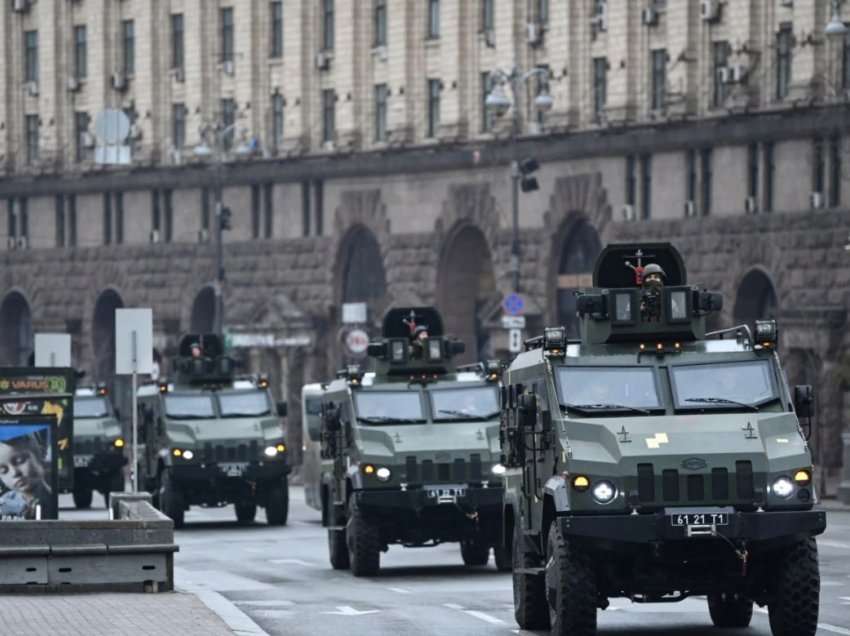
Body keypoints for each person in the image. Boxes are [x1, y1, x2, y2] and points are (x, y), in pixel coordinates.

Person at [0, 434, 51, 520]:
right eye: (3, 471)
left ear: (41, 453)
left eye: (20, 461)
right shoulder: (5, 501)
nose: (14, 473)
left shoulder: (50, 498)